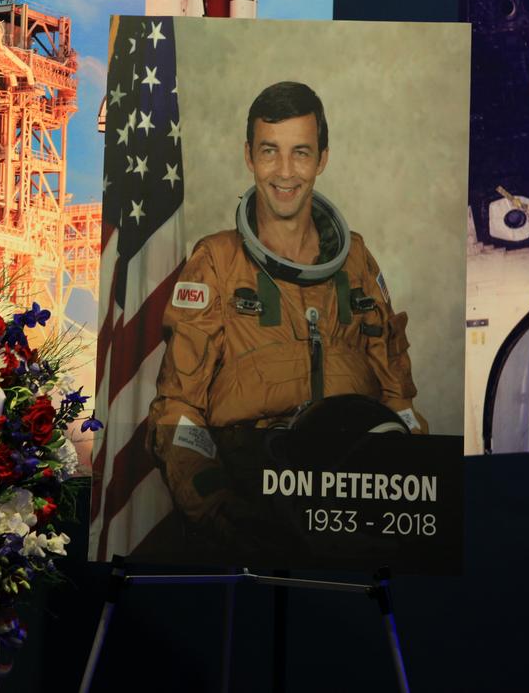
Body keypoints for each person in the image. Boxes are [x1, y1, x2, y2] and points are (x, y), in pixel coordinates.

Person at [146, 81, 426, 533]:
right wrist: (216, 501)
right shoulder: (216, 262)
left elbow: (398, 398)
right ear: (249, 156)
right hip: (252, 488)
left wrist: (414, 470)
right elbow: (178, 409)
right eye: (269, 151)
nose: (284, 171)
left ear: (322, 159)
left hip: (351, 494)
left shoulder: (355, 260)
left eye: (300, 152)